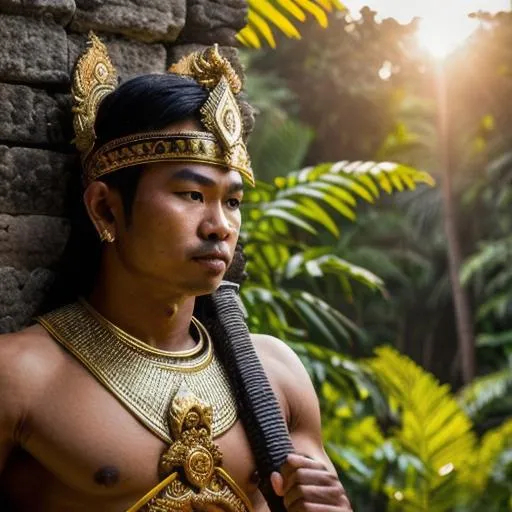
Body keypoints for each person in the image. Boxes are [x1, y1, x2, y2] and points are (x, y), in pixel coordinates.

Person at [0, 34, 352, 512]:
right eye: (191, 195)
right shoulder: (21, 378)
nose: (220, 226)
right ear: (105, 207)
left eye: (232, 201)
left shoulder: (276, 376)